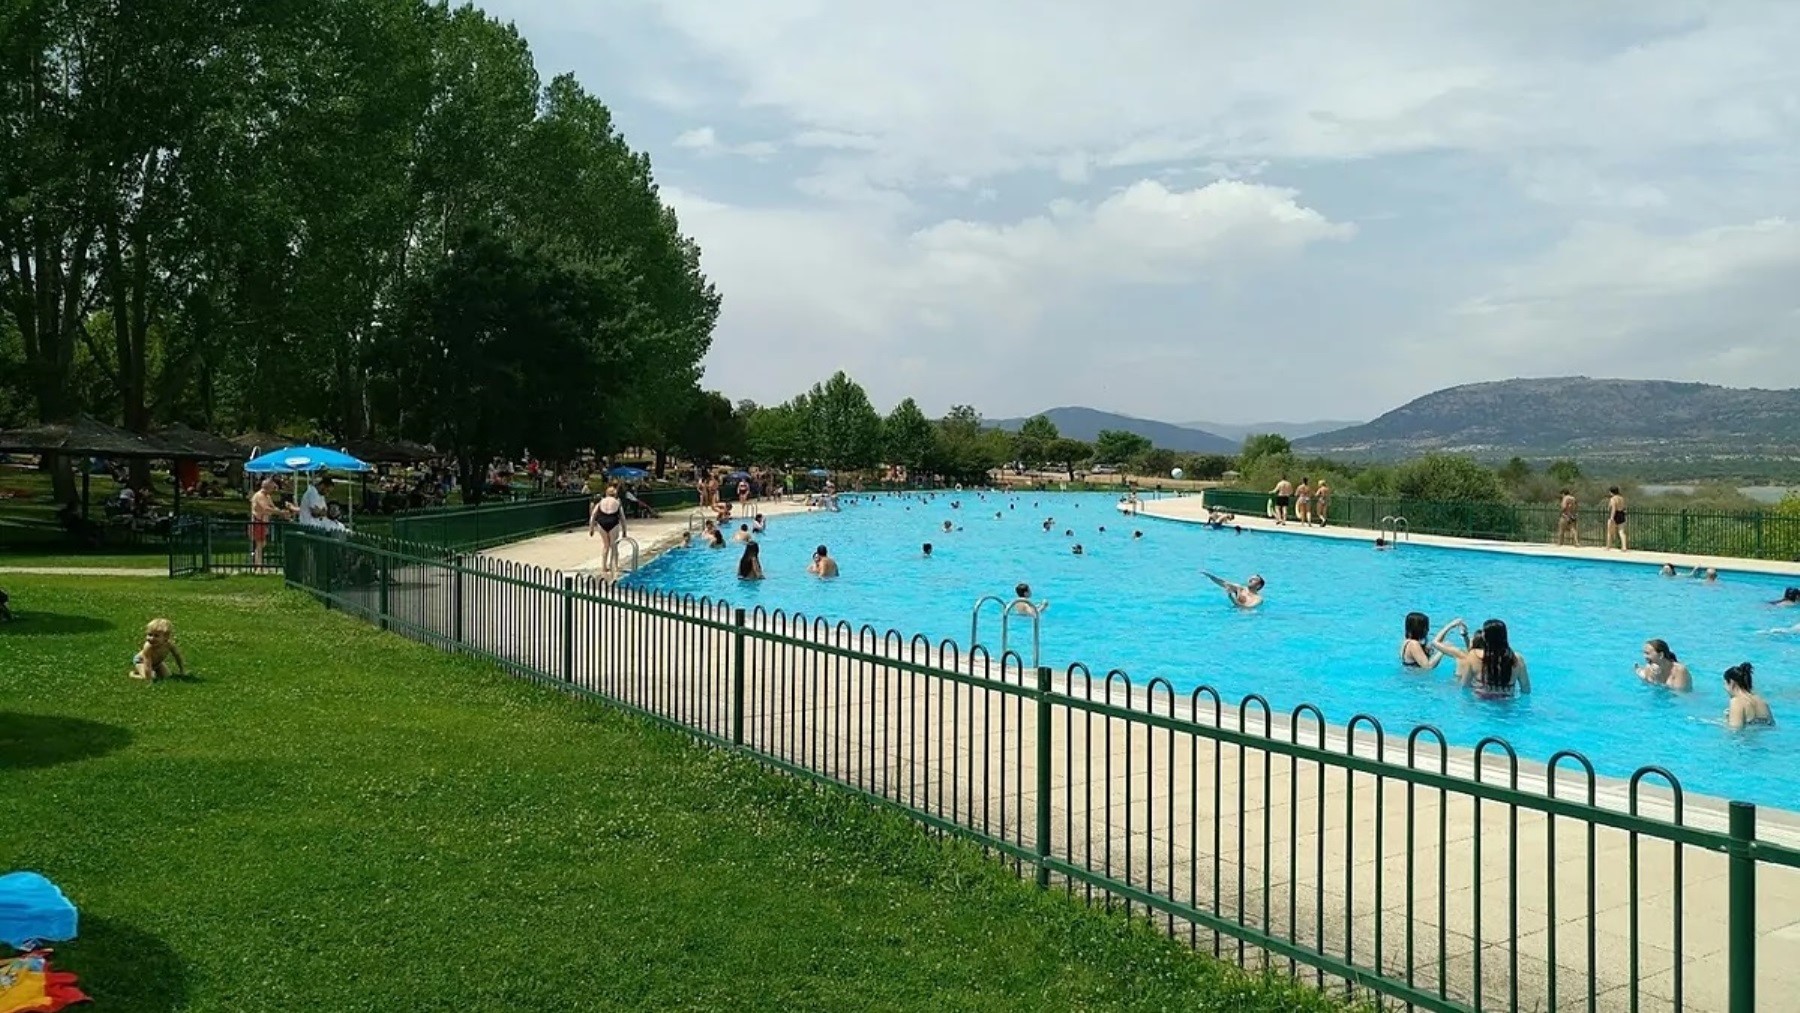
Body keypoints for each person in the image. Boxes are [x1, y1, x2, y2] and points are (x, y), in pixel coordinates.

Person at [1437, 618, 1531, 698]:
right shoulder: (1517, 659)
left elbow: (1465, 686)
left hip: (1481, 701)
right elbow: (1526, 690)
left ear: (1485, 638)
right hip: (1507, 705)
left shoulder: (1474, 656)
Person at [249, 477, 296, 567]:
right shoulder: (259, 496)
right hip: (258, 521)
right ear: (267, 487)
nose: (273, 490)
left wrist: (282, 513)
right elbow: (265, 508)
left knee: (262, 544)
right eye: (272, 488)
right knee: (259, 544)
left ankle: (257, 563)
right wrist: (279, 512)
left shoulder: (267, 496)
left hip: (264, 522)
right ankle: (258, 566)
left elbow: (272, 507)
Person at [588, 485, 627, 575]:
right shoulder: (617, 502)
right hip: (613, 522)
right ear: (615, 494)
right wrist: (624, 531)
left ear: (606, 493)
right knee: (614, 545)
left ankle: (604, 567)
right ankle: (615, 566)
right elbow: (622, 517)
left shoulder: (601, 502)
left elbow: (593, 515)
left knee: (606, 545)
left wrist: (591, 528)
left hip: (602, 522)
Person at [1723, 663, 1774, 730]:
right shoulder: (1762, 701)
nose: (1724, 688)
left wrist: (1725, 721)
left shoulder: (1736, 701)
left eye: (1725, 684)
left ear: (1732, 683)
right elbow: (1772, 727)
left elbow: (1734, 731)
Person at [1605, 487, 1628, 551]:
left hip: (1615, 515)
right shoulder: (1621, 498)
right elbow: (1624, 507)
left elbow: (1614, 508)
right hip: (1621, 514)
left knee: (1609, 532)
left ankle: (1608, 546)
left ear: (1611, 492)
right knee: (1621, 532)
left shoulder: (1613, 499)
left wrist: (1612, 518)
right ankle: (1624, 547)